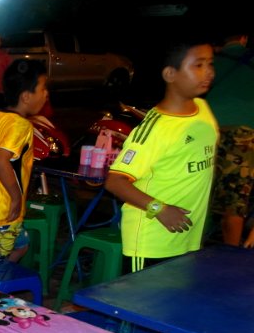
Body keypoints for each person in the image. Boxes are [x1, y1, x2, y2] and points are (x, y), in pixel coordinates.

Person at [104, 35, 218, 272]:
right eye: (198, 65)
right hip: (151, 243)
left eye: (210, 64)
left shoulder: (203, 110)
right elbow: (115, 182)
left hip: (187, 238)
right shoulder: (155, 128)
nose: (208, 72)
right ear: (170, 74)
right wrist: (161, 210)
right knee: (141, 307)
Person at [0, 59, 49, 264]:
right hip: (2, 207)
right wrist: (16, 197)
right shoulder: (20, 125)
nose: (46, 94)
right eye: (42, 88)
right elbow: (0, 160)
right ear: (25, 96)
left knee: (20, 244)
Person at [205, 32, 254, 247]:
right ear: (243, 38)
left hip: (206, 130)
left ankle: (192, 250)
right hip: (243, 135)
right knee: (234, 201)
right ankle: (230, 257)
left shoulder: (209, 61)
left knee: (203, 192)